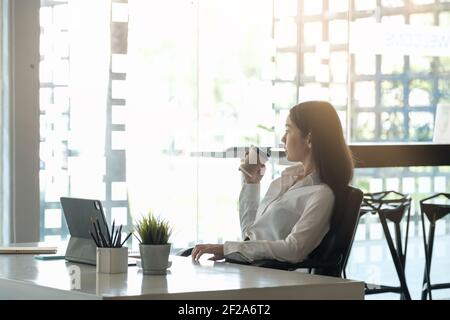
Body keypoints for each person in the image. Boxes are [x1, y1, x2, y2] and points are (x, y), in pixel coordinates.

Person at [192, 101, 354, 263]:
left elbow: (294, 249)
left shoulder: (322, 194)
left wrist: (228, 248)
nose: (283, 138)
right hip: (248, 266)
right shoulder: (284, 181)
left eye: (288, 130)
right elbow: (249, 237)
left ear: (309, 138)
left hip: (269, 276)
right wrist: (251, 183)